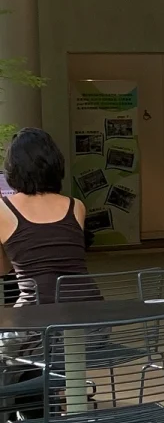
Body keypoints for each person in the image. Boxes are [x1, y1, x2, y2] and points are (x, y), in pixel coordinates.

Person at [0, 128, 88, 304]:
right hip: (88, 309)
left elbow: (2, 269)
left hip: (37, 311)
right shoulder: (76, 206)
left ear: (13, 168)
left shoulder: (2, 208)